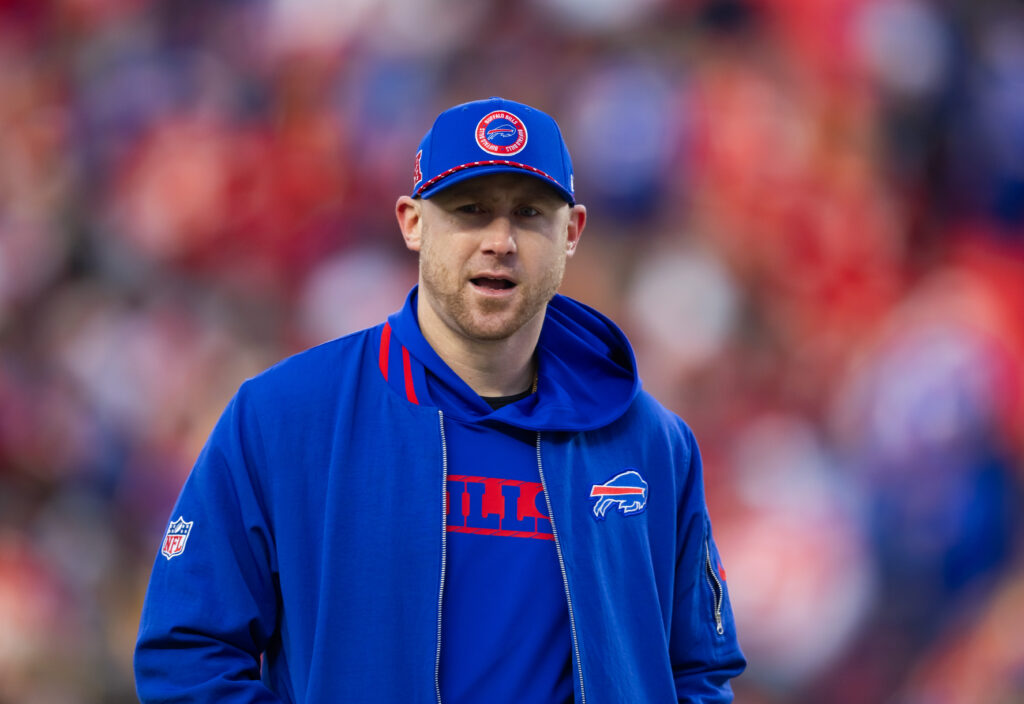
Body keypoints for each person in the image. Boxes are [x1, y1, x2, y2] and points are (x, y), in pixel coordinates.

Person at [134, 96, 746, 703]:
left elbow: (699, 673)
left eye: (529, 213)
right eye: (470, 210)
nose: (500, 240)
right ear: (412, 222)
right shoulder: (284, 419)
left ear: (572, 232)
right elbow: (187, 656)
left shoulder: (650, 444)